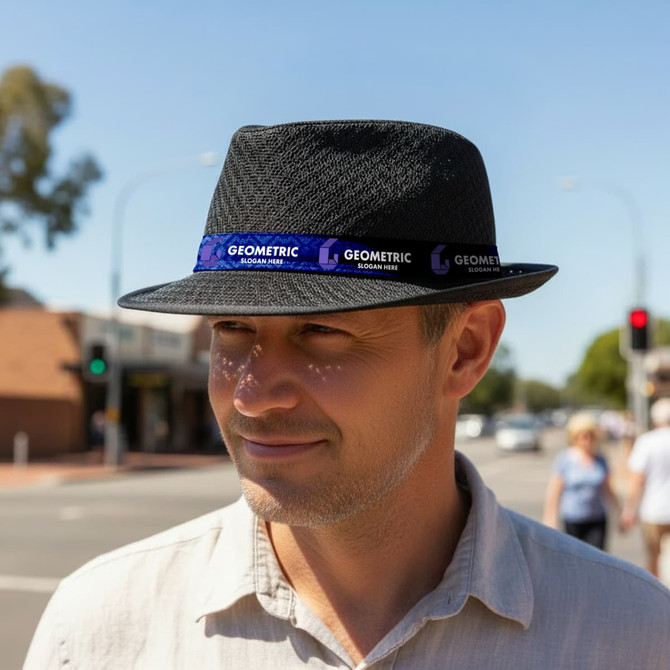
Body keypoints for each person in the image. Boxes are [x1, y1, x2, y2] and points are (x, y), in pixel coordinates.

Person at [24, 121, 669, 668]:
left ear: (466, 349)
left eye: (321, 332)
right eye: (232, 329)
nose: (253, 395)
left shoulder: (628, 635)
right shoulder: (99, 629)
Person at [542, 412, 621, 550]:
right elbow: (554, 492)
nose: (588, 440)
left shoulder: (600, 460)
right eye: (584, 436)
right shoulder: (565, 460)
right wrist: (550, 519)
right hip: (573, 518)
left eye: (591, 436)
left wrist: (619, 512)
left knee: (597, 557)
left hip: (597, 518)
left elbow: (608, 489)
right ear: (574, 437)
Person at [622, 397, 670, 579]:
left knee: (653, 557)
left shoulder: (647, 441)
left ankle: (658, 599)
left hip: (653, 511)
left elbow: (636, 480)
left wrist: (628, 509)